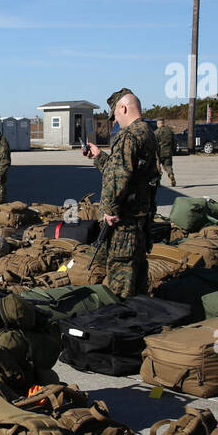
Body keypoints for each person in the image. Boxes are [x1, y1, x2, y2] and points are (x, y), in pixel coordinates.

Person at [83, 88, 160, 298]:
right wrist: (99, 156)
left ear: (123, 108)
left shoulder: (128, 136)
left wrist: (108, 209)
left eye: (115, 115)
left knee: (121, 280)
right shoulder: (148, 133)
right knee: (138, 275)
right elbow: (128, 172)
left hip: (124, 222)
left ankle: (123, 321)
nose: (115, 121)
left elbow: (117, 177)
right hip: (141, 219)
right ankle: (141, 315)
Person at [155, 121, 177, 187]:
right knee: (168, 166)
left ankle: (158, 182)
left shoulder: (156, 132)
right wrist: (173, 150)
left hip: (159, 153)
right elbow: (174, 142)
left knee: (157, 168)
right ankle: (171, 174)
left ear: (159, 124)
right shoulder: (170, 131)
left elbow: (154, 143)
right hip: (168, 152)